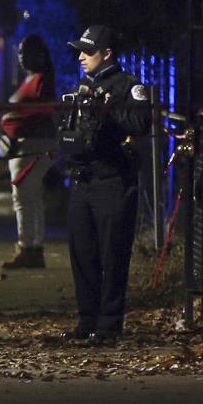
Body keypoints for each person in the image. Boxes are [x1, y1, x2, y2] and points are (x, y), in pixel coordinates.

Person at [58, 25, 151, 345]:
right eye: (80, 51)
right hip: (83, 179)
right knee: (82, 253)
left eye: (88, 51)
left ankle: (109, 322)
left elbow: (141, 124)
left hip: (113, 180)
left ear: (107, 54)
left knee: (112, 253)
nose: (81, 57)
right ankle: (87, 319)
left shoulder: (128, 86)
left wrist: (108, 106)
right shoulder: (84, 85)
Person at [0, 35, 57, 269]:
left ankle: (28, 247)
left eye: (26, 52)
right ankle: (33, 247)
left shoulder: (41, 81)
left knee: (23, 198)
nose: (21, 57)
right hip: (24, 145)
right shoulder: (30, 79)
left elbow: (41, 115)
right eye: (20, 53)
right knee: (31, 198)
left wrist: (17, 125)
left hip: (31, 147)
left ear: (40, 55)